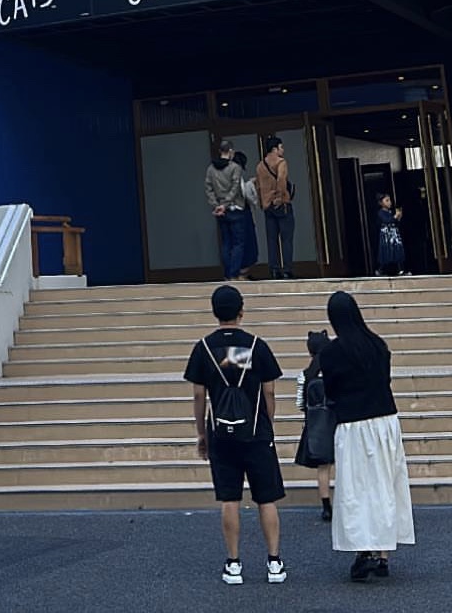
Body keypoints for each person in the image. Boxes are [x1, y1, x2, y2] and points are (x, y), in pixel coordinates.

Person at [183, 284, 288, 585]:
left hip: (221, 434)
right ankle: (274, 562)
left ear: (215, 312)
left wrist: (202, 433)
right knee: (266, 499)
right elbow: (269, 390)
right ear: (242, 311)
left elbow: (199, 396)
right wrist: (268, 423)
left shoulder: (203, 349)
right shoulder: (256, 346)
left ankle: (233, 564)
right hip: (255, 432)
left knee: (229, 498)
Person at [319, 291, 415, 581]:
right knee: (386, 483)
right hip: (386, 420)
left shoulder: (331, 353)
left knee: (357, 489)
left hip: (352, 425)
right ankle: (383, 555)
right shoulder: (378, 345)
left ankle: (364, 551)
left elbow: (331, 392)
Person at [293, 329, 334, 521]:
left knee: (323, 468)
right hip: (339, 422)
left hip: (316, 425)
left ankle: (326, 506)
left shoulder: (306, 375)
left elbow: (300, 404)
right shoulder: (337, 371)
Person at [205, 139, 247, 281]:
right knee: (238, 243)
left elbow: (208, 188)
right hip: (234, 208)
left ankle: (226, 274)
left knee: (226, 242)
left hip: (220, 211)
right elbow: (235, 188)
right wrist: (226, 203)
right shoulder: (235, 167)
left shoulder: (211, 169)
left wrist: (216, 205)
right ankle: (234, 273)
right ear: (230, 151)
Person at [256, 136, 295, 279]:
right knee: (287, 238)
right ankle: (287, 269)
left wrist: (262, 202)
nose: (282, 150)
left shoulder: (260, 166)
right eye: (281, 147)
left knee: (271, 239)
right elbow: (281, 179)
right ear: (275, 148)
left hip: (267, 206)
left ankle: (274, 269)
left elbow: (258, 186)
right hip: (282, 204)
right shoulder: (281, 162)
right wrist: (279, 196)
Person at [232, 149, 260, 276]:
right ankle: (241, 272)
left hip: (233, 214)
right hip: (242, 214)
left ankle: (238, 272)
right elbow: (245, 195)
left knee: (238, 243)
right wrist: (250, 184)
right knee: (247, 244)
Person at [374, 194, 406, 277]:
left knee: (397, 250)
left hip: (394, 234)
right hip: (386, 236)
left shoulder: (390, 212)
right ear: (381, 203)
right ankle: (380, 270)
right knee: (386, 252)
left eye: (390, 200)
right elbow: (387, 220)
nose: (389, 202)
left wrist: (398, 217)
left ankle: (400, 269)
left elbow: (395, 222)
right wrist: (395, 216)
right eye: (387, 200)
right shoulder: (381, 212)